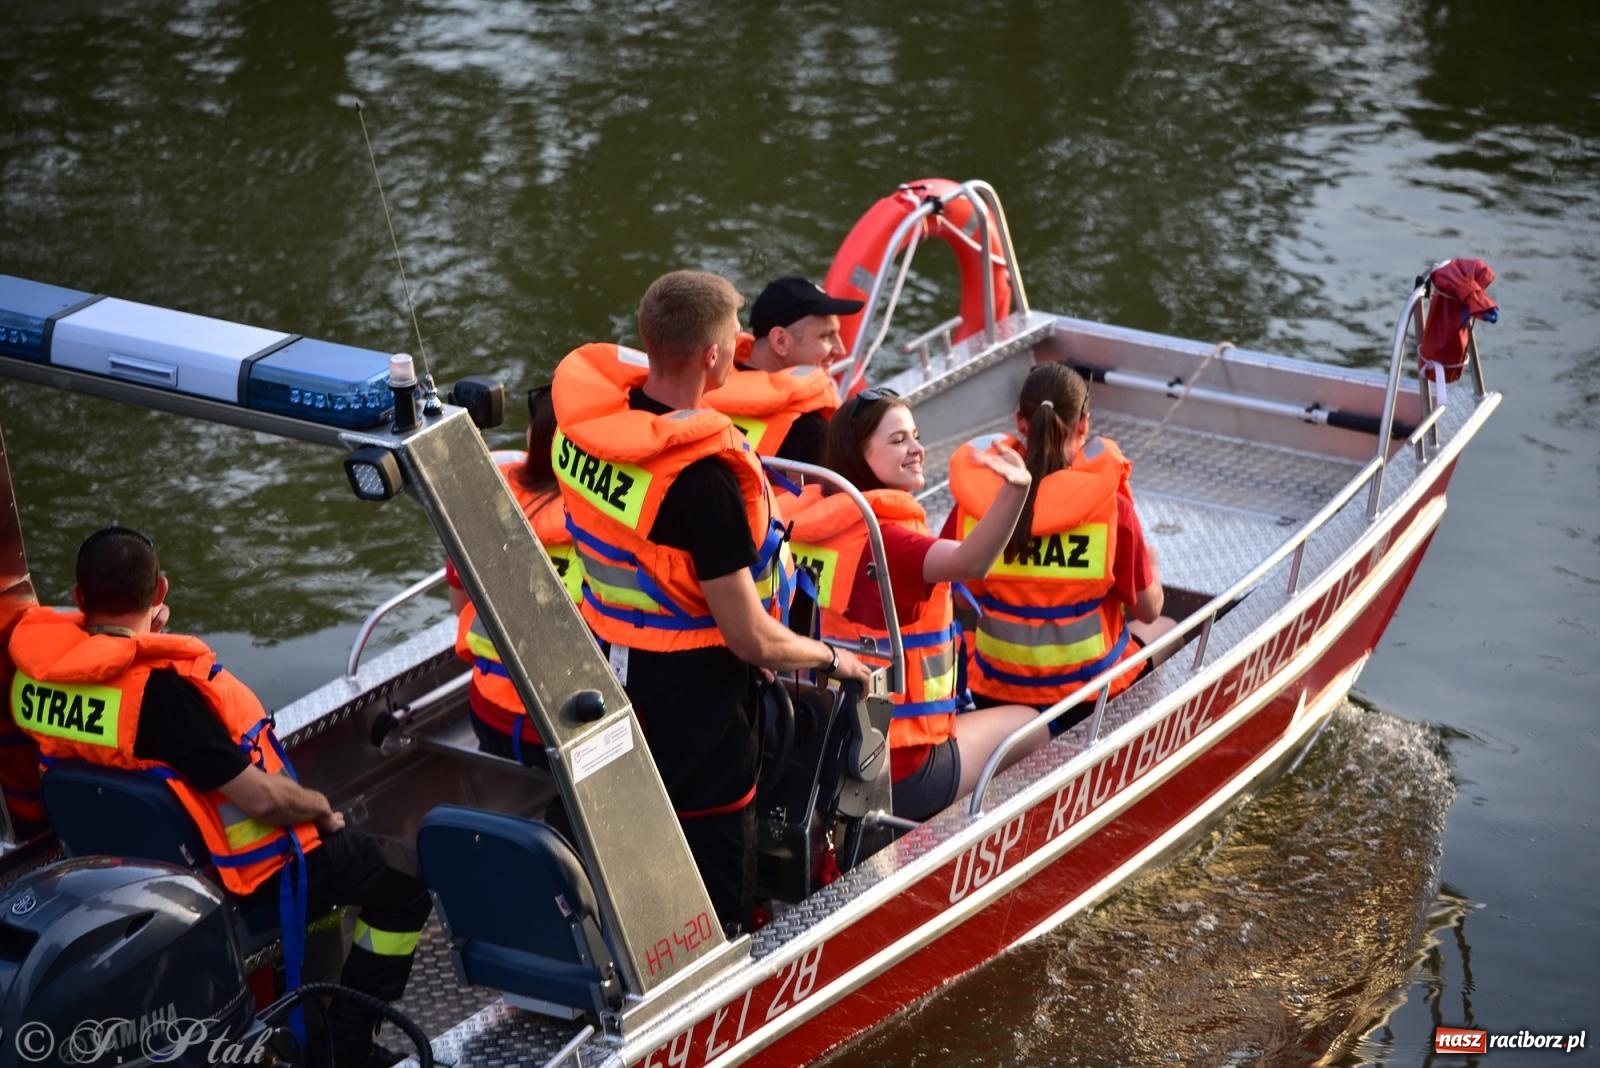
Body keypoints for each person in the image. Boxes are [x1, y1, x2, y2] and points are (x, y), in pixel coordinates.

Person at [8, 527, 430, 1068]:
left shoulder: (34, 683)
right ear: (160, 591)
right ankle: (347, 1049)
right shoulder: (161, 694)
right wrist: (323, 812)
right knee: (404, 879)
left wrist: (130, 644)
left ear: (78, 597)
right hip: (233, 883)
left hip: (117, 883)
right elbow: (262, 800)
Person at [550, 269, 871, 930]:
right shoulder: (704, 483)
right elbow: (748, 637)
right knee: (716, 869)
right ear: (712, 354)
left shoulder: (587, 431)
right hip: (696, 704)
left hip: (611, 665)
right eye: (734, 338)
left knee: (637, 830)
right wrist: (833, 658)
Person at [788, 389, 1047, 823]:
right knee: (1030, 725)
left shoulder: (816, 526)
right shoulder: (891, 542)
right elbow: (971, 562)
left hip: (823, 745)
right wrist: (1017, 490)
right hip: (899, 767)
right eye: (898, 441)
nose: (917, 449)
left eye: (916, 436)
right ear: (858, 454)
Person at [946, 362, 1176, 730]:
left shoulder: (975, 506)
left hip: (996, 690)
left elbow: (959, 599)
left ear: (1020, 422)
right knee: (1166, 627)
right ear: (1083, 424)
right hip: (1089, 697)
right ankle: (1146, 732)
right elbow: (1148, 611)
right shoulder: (1113, 509)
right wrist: (1153, 566)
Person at [446, 383, 579, 768]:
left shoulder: (486, 500)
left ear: (533, 437)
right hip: (570, 721)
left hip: (490, 713)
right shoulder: (603, 522)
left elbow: (459, 606)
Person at [703, 276, 862, 469]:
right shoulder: (811, 431)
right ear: (781, 341)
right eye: (826, 336)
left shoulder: (695, 389)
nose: (841, 350)